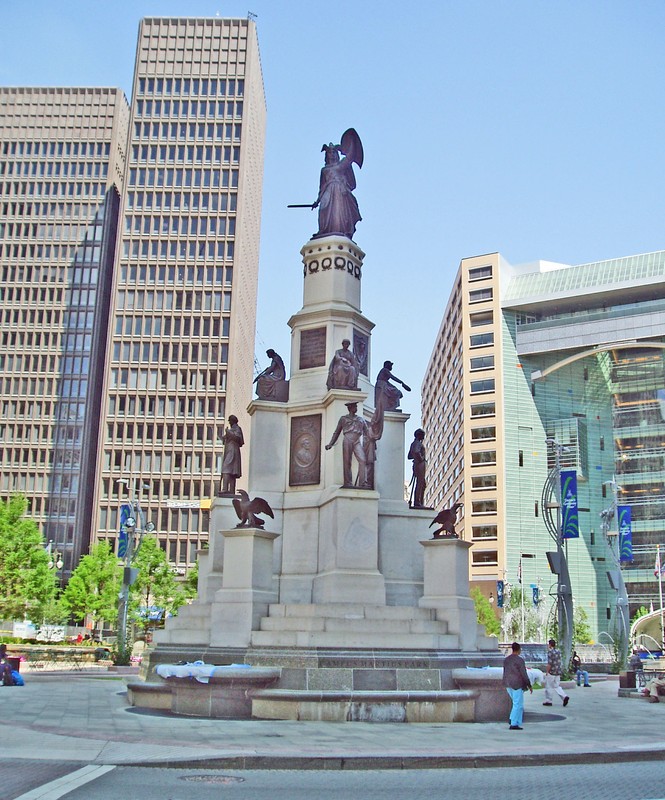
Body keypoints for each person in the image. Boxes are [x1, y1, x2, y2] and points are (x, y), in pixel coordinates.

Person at [312, 132, 362, 240]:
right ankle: (324, 231)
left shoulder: (341, 165)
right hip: (327, 192)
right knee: (324, 210)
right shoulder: (324, 170)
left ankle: (341, 231)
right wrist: (317, 201)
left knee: (338, 212)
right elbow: (321, 187)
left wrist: (352, 141)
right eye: (330, 153)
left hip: (339, 191)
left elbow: (350, 157)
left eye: (334, 153)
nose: (332, 155)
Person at [325, 401, 369, 488]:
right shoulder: (343, 419)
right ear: (350, 408)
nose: (356, 408)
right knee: (347, 462)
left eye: (356, 406)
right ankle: (348, 483)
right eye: (354, 407)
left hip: (357, 441)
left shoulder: (361, 419)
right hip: (347, 439)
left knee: (363, 460)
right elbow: (337, 432)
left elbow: (367, 432)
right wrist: (330, 443)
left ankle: (362, 482)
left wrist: (371, 441)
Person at [502, 642, 532, 730]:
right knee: (517, 704)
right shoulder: (520, 660)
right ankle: (514, 723)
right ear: (519, 650)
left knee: (518, 703)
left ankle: (515, 720)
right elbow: (524, 674)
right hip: (517, 684)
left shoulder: (506, 659)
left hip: (508, 683)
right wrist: (529, 685)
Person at [220, 415, 244, 494]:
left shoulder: (237, 429)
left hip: (233, 450)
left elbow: (238, 439)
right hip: (229, 450)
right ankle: (229, 490)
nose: (229, 422)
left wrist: (228, 432)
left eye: (229, 421)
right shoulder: (232, 429)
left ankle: (226, 489)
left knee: (227, 468)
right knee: (231, 470)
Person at [543, 638, 570, 707]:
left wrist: (547, 671)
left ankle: (548, 700)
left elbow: (550, 663)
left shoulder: (550, 652)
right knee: (556, 686)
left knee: (548, 686)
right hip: (558, 671)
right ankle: (564, 696)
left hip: (552, 672)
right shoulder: (558, 651)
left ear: (550, 645)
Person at [408, 428, 426, 508]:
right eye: (423, 435)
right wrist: (420, 458)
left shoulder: (413, 443)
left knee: (422, 484)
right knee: (420, 483)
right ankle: (418, 502)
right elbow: (415, 452)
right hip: (420, 464)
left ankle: (419, 501)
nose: (424, 437)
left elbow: (409, 456)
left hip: (417, 464)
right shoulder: (417, 443)